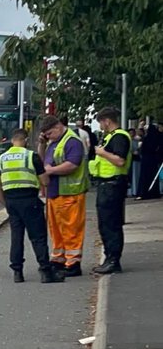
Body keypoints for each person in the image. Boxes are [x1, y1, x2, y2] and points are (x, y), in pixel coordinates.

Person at [0, 128, 63, 283]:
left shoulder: (2, 158)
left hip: (12, 202)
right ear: (25, 140)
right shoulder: (31, 156)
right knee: (38, 237)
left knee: (16, 237)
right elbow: (45, 181)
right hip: (30, 201)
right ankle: (45, 272)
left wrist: (6, 203)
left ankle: (17, 272)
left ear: (12, 140)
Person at [37, 113, 89, 277]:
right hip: (55, 192)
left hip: (70, 193)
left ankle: (73, 263)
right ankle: (59, 258)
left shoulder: (72, 141)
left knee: (71, 229)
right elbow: (42, 160)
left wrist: (51, 170)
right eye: (46, 135)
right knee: (56, 229)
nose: (49, 137)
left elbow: (72, 164)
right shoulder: (54, 142)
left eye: (50, 133)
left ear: (58, 127)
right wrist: (42, 144)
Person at [89, 106, 132, 274]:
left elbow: (120, 161)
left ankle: (113, 260)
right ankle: (109, 258)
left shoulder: (120, 137)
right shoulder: (110, 137)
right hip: (106, 185)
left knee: (111, 224)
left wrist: (102, 153)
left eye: (101, 122)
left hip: (113, 185)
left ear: (107, 121)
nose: (100, 126)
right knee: (105, 224)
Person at [138, 121, 163, 200]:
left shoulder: (147, 138)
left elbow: (143, 149)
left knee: (145, 176)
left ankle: (144, 192)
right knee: (153, 176)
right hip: (153, 160)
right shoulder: (157, 137)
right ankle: (154, 192)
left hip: (146, 159)